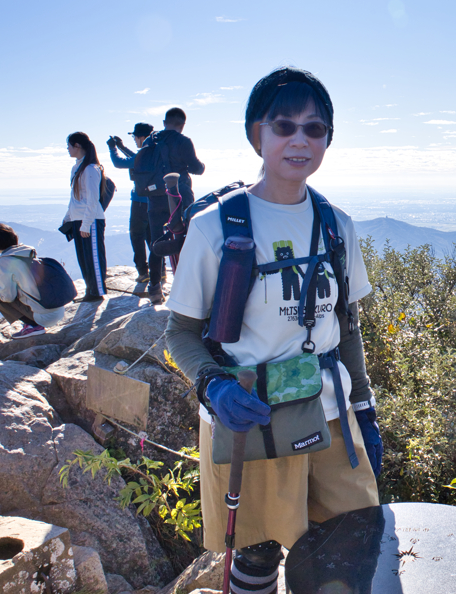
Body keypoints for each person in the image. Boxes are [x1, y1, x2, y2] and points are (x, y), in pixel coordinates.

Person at [165, 68, 381, 594]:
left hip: (332, 416)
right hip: (253, 419)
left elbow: (346, 327)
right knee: (258, 554)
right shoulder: (215, 227)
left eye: (315, 128)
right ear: (256, 134)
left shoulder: (336, 224)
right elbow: (180, 333)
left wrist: (365, 407)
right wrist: (214, 387)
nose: (300, 140)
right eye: (284, 126)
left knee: (348, 548)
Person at [143, 107, 205, 305]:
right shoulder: (183, 141)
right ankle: (187, 288)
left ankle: (154, 288)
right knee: (186, 238)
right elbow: (197, 168)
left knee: (156, 241)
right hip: (179, 197)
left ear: (164, 122)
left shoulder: (150, 141)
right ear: (183, 125)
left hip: (154, 198)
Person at [0, 224, 65, 338]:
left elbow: (7, 297)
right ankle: (33, 323)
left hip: (44, 318)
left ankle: (33, 326)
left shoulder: (5, 261)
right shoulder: (27, 252)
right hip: (58, 312)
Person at [61, 132, 108, 302]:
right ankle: (91, 291)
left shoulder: (90, 169)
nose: (67, 149)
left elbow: (92, 199)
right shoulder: (77, 167)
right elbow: (75, 197)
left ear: (77, 146)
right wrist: (68, 216)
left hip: (91, 220)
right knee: (83, 258)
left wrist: (86, 224)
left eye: (69, 145)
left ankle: (97, 293)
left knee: (93, 257)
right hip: (78, 219)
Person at [108, 122, 153, 283]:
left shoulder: (144, 153)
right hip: (155, 201)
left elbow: (119, 163)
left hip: (140, 202)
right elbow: (136, 159)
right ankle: (159, 270)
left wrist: (113, 148)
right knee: (152, 235)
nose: (134, 139)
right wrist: (122, 147)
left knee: (137, 235)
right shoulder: (154, 151)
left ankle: (143, 272)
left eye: (134, 136)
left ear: (141, 137)